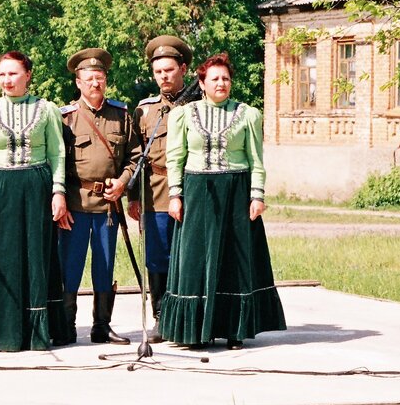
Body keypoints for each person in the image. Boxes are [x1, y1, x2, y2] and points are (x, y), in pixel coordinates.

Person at [163, 52, 286, 349]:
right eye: (215, 79)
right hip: (196, 189)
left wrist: (257, 195)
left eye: (226, 79)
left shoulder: (247, 114)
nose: (221, 83)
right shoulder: (183, 114)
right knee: (195, 259)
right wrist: (175, 194)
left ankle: (233, 329)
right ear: (202, 83)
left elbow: (256, 159)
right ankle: (195, 330)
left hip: (235, 190)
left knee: (235, 259)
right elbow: (175, 157)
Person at [0, 52, 71, 351]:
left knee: (35, 255)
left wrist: (58, 192)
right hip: (0, 187)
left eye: (12, 74)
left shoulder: (46, 110)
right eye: (2, 75)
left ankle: (34, 331)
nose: (6, 80)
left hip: (36, 186)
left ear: (28, 75)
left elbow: (56, 153)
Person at [58, 48, 140, 345]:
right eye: (89, 78)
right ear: (78, 83)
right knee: (71, 267)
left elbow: (134, 157)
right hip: (76, 205)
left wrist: (123, 183)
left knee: (104, 266)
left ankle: (101, 326)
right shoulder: (65, 118)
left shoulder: (121, 116)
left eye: (100, 78)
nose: (95, 83)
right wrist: (61, 200)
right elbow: (58, 164)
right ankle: (66, 326)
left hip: (108, 205)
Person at [127, 35, 195, 342]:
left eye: (169, 70)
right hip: (155, 191)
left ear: (183, 68)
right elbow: (133, 155)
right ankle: (160, 317)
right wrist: (133, 196)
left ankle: (190, 317)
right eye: (158, 72)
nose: (163, 76)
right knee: (157, 257)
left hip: (192, 191)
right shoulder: (144, 110)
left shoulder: (199, 104)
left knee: (190, 255)